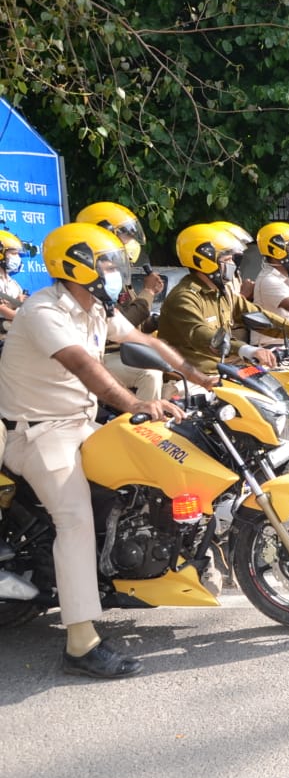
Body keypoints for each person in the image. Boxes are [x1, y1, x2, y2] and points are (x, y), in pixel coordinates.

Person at [0, 223, 211, 678]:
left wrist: (202, 377)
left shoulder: (94, 307)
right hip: (37, 433)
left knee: (142, 471)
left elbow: (145, 341)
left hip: (80, 423)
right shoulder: (44, 312)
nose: (114, 270)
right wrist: (136, 404)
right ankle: (80, 643)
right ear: (76, 264)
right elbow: (83, 366)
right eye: (106, 262)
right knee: (74, 519)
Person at [158, 224, 289, 378]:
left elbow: (259, 316)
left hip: (224, 372)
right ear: (204, 262)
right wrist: (246, 349)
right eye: (227, 259)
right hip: (191, 382)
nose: (232, 264)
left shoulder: (223, 293)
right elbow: (200, 334)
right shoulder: (184, 298)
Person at [76, 202, 165, 401]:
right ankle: (143, 427)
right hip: (103, 355)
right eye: (127, 236)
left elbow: (136, 324)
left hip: (125, 351)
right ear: (104, 233)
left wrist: (157, 321)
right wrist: (149, 291)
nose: (131, 242)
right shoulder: (89, 278)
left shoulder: (117, 278)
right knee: (150, 373)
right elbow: (122, 322)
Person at [0, 230, 30, 336]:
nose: (17, 258)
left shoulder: (13, 283)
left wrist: (16, 302)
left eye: (18, 254)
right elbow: (3, 310)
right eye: (13, 253)